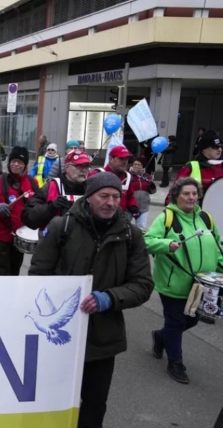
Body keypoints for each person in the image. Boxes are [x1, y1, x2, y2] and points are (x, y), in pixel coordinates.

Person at [29, 173, 153, 428]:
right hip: (61, 335)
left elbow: (142, 285)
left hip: (104, 337)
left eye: (116, 197)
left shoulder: (131, 235)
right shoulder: (61, 227)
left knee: (94, 404)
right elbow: (38, 275)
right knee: (53, 400)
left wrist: (110, 298)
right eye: (104, 196)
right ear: (89, 197)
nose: (110, 202)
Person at [144, 177, 223, 384]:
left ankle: (161, 337)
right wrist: (166, 244)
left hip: (202, 285)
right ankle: (175, 363)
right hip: (174, 283)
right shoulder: (167, 218)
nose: (191, 197)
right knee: (176, 321)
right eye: (186, 193)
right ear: (177, 195)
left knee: (193, 319)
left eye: (194, 193)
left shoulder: (206, 218)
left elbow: (217, 245)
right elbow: (148, 242)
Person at [0, 146, 37, 276]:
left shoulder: (33, 183)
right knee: (2, 273)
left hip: (22, 238)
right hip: (1, 237)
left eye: (20, 162)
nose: (15, 164)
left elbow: (39, 206)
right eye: (13, 161)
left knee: (15, 272)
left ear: (25, 165)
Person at [23, 149, 89, 230]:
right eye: (79, 166)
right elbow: (28, 217)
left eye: (86, 166)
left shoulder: (91, 188)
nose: (83, 170)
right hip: (54, 240)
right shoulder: (51, 187)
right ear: (67, 168)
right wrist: (50, 208)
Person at [169, 130, 223, 205]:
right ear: (204, 150)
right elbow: (174, 193)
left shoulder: (221, 166)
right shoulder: (191, 167)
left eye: (220, 147)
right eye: (215, 147)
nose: (220, 150)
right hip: (195, 214)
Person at [89, 145, 139, 220]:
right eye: (121, 159)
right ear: (111, 159)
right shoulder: (97, 174)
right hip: (98, 218)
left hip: (120, 219)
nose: (125, 162)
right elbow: (86, 196)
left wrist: (133, 206)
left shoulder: (127, 176)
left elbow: (130, 196)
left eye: (126, 159)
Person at [128, 158, 156, 230]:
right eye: (135, 164)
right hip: (129, 207)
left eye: (139, 164)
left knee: (140, 228)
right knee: (125, 226)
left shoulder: (147, 176)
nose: (136, 166)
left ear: (142, 166)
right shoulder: (127, 175)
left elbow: (152, 192)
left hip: (143, 207)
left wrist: (152, 187)